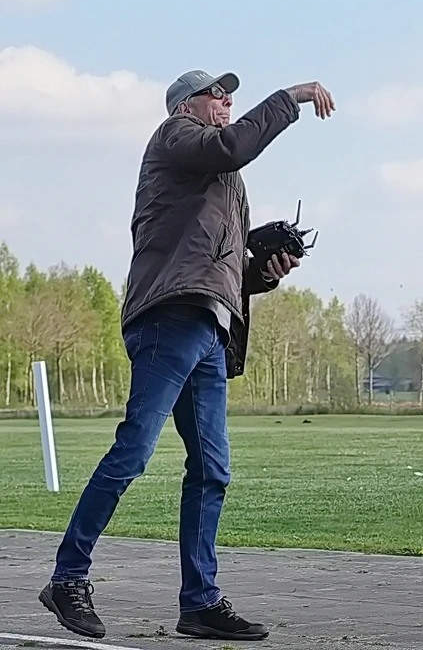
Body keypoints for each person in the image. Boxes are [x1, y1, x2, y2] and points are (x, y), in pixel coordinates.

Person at [38, 70, 335, 642]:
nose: (226, 102)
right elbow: (232, 147)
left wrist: (264, 272)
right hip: (169, 319)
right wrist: (290, 98)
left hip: (209, 326)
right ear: (184, 106)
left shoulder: (224, 184)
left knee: (212, 470)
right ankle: (67, 578)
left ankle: (199, 603)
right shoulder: (175, 137)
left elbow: (225, 271)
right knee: (134, 450)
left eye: (230, 96)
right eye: (215, 95)